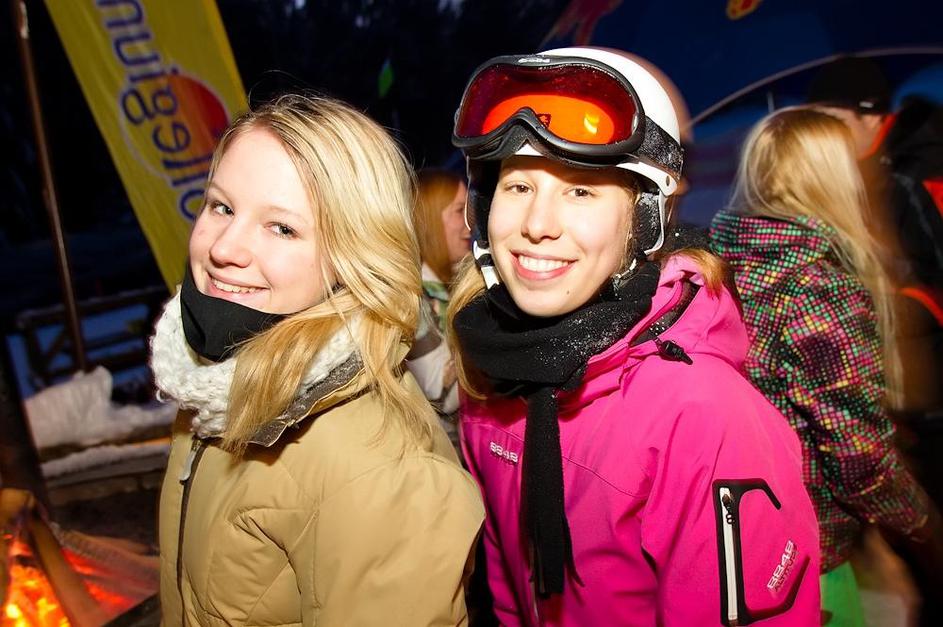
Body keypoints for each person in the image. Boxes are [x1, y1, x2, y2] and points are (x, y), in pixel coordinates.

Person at [448, 47, 820, 626]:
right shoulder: (491, 372)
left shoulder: (704, 415)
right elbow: (506, 594)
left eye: (581, 190)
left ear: (643, 219)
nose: (537, 225)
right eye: (518, 186)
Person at [150, 94, 484, 626]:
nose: (224, 248)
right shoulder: (215, 382)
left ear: (354, 254)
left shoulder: (382, 474)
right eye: (221, 207)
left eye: (281, 228)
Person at [710, 107, 941, 626]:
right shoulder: (816, 287)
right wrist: (924, 528)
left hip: (736, 534)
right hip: (807, 554)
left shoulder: (717, 264)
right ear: (834, 177)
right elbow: (858, 455)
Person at [406, 169, 469, 420]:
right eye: (459, 210)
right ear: (430, 220)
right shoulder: (413, 298)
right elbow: (441, 394)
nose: (469, 223)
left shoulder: (457, 281)